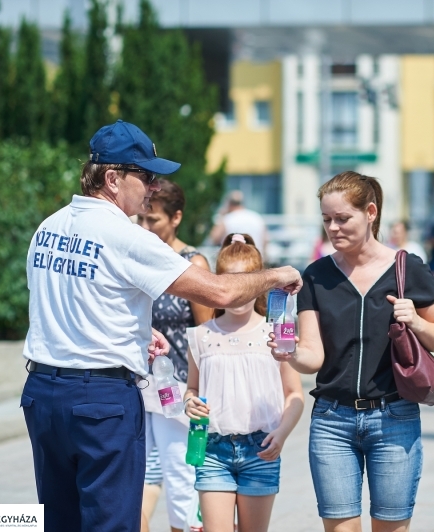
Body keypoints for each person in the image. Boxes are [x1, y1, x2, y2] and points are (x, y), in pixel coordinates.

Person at [20, 119, 301, 532]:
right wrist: (277, 275)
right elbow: (220, 293)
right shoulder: (126, 236)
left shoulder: (49, 227)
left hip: (43, 396)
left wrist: (132, 332)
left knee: (60, 521)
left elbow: (60, 307)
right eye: (146, 176)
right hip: (100, 400)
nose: (153, 188)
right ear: (113, 179)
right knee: (111, 523)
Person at [271, 171, 434, 532]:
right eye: (326, 220)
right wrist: (289, 352)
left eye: (342, 218)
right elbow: (314, 357)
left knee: (391, 526)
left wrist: (415, 321)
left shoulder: (407, 269)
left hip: (394, 417)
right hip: (332, 422)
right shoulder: (317, 275)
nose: (333, 228)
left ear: (370, 212)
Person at [183, 233, 304, 532]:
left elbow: (294, 395)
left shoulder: (275, 334)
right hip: (212, 450)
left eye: (247, 281)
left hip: (261, 449)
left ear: (260, 284)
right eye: (231, 281)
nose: (239, 290)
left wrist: (282, 433)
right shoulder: (200, 335)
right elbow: (192, 387)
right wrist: (189, 402)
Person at [138, 179, 214, 532]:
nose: (145, 227)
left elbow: (206, 335)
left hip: (178, 390)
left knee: (181, 481)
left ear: (176, 218)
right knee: (140, 478)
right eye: (141, 219)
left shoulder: (190, 262)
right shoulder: (137, 255)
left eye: (152, 220)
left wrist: (199, 393)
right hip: (138, 386)